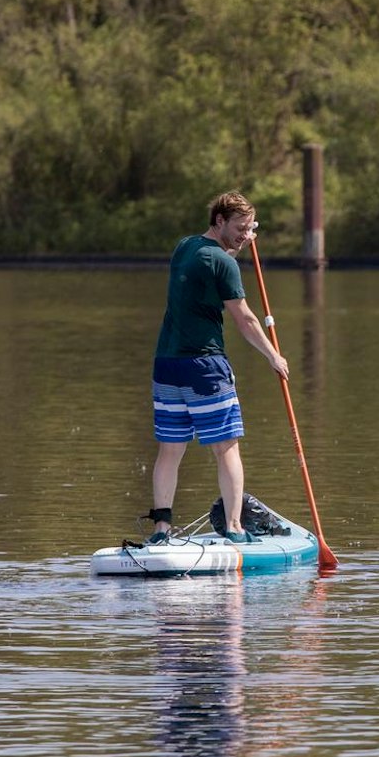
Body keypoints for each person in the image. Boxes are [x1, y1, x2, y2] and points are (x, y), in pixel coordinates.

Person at [146, 192, 291, 542]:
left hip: (166, 365)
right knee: (226, 448)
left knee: (170, 449)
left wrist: (234, 248)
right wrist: (273, 355)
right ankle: (235, 527)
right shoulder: (225, 265)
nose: (244, 235)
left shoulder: (185, 247)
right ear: (219, 221)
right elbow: (244, 319)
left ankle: (161, 529)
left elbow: (207, 263)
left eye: (248, 229)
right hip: (204, 367)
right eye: (239, 228)